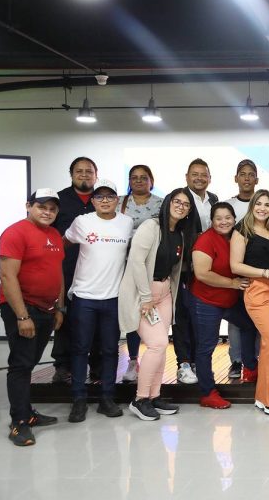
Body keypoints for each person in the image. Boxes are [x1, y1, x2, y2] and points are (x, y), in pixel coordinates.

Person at [0, 189, 65, 446]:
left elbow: (57, 272)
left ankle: (27, 413)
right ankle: (19, 423)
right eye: (41, 206)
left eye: (52, 208)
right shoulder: (15, 233)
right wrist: (22, 316)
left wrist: (59, 308)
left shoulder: (54, 234)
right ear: (29, 206)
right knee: (21, 364)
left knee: (30, 362)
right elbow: (7, 276)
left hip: (47, 309)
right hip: (23, 308)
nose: (47, 212)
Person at [119, 188, 190, 421]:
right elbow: (137, 262)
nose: (181, 206)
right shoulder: (151, 227)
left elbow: (174, 269)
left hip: (164, 293)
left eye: (186, 204)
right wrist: (146, 297)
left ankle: (154, 396)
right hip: (144, 294)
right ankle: (140, 399)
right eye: (177, 201)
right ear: (168, 202)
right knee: (157, 344)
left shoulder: (179, 234)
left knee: (161, 346)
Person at [66, 179, 133, 423]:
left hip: (113, 298)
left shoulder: (126, 222)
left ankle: (107, 398)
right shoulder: (82, 222)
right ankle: (78, 400)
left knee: (110, 350)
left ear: (117, 199)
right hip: (84, 297)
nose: (105, 200)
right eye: (99, 196)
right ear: (92, 201)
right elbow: (65, 243)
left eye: (110, 196)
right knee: (80, 349)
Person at [189, 202, 257, 409]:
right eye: (218, 218)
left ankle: (250, 368)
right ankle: (207, 393)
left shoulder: (236, 236)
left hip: (229, 300)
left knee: (249, 324)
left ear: (234, 218)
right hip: (206, 301)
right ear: (212, 220)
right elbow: (202, 274)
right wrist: (233, 283)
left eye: (228, 217)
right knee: (207, 346)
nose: (224, 222)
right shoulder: (205, 240)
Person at [231, 190, 269, 415]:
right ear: (252, 206)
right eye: (259, 204)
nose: (262, 208)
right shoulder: (242, 230)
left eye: (267, 205)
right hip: (257, 290)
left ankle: (262, 396)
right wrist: (264, 272)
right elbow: (235, 265)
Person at [51, 156, 98, 384]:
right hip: (67, 269)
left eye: (89, 171)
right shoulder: (59, 200)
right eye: (79, 171)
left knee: (98, 320)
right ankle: (63, 366)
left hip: (98, 271)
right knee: (65, 316)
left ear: (96, 175)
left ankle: (98, 366)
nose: (84, 175)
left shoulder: (104, 199)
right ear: (71, 174)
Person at [174, 158, 219, 384]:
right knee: (182, 315)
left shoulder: (214, 200)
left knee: (199, 316)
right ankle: (183, 363)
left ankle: (196, 362)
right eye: (195, 174)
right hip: (184, 267)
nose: (199, 178)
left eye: (204, 174)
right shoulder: (180, 198)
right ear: (187, 177)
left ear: (210, 178)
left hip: (207, 268)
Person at [119, 165, 163, 383]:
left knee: (152, 313)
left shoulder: (161, 203)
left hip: (152, 266)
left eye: (143, 177)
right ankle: (133, 360)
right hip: (124, 265)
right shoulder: (120, 202)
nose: (138, 181)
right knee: (132, 312)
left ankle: (155, 357)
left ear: (151, 181)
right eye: (134, 177)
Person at [224, 159, 259, 380]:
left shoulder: (263, 203)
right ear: (236, 178)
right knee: (236, 319)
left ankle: (255, 360)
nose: (247, 178)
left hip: (259, 270)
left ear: (257, 179)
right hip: (235, 270)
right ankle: (236, 361)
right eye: (242, 174)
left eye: (251, 174)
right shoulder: (228, 205)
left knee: (258, 318)